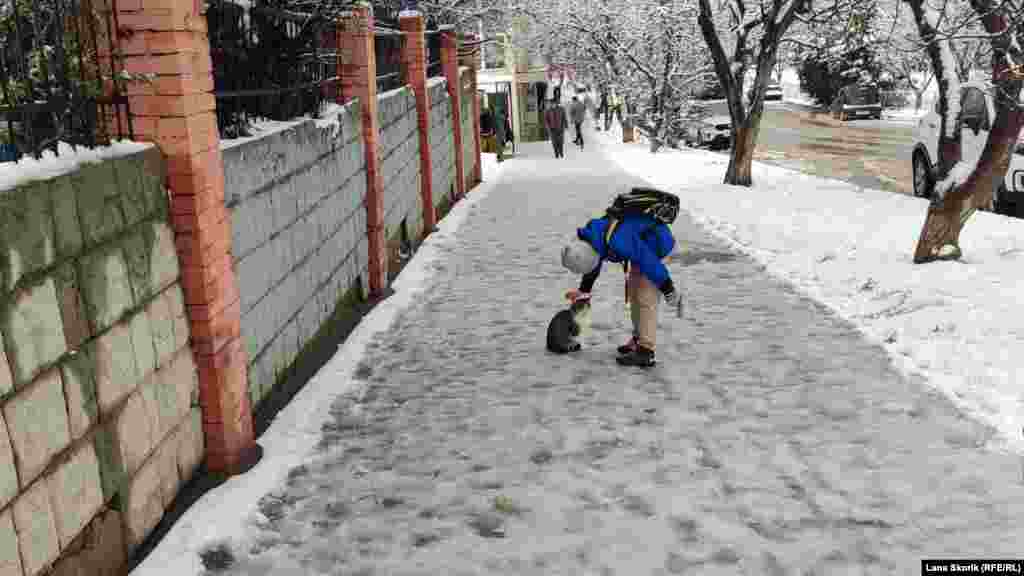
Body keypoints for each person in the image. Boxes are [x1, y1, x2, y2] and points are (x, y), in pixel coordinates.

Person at [560, 203, 681, 367]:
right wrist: (584, 291)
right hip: (639, 247)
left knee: (645, 296)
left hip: (658, 246)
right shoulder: (591, 237)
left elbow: (648, 260)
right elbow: (594, 261)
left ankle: (646, 352)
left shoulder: (617, 239)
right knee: (634, 293)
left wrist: (668, 287)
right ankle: (639, 339)